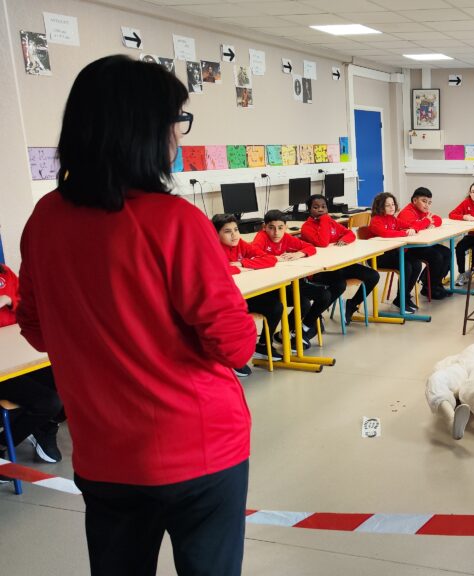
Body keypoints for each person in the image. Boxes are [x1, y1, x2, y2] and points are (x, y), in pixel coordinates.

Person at [17, 55, 252, 575]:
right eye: (176, 121)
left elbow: (34, 328)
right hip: (198, 446)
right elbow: (234, 344)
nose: (178, 135)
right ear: (146, 131)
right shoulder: (175, 221)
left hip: (104, 451)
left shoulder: (45, 218)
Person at [0, 263, 63, 464]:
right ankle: (3, 444)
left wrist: (10, 300)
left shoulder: (5, 273)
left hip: (18, 356)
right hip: (3, 369)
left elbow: (28, 303)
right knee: (49, 401)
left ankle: (44, 427)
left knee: (72, 382)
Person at [214, 214, 283, 375]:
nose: (234, 235)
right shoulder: (212, 248)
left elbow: (270, 259)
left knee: (275, 306)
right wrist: (239, 269)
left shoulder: (240, 244)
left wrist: (242, 263)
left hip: (242, 294)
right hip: (221, 301)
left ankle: (263, 346)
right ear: (215, 234)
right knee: (235, 318)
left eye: (236, 230)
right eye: (227, 231)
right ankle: (230, 358)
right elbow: (218, 270)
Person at [300, 195, 380, 326]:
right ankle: (315, 315)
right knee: (340, 284)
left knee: (373, 275)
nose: (320, 210)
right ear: (309, 210)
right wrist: (324, 219)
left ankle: (352, 304)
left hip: (339, 265)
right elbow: (323, 242)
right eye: (316, 207)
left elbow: (350, 234)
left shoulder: (331, 222)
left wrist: (344, 239)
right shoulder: (307, 227)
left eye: (323, 207)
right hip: (321, 269)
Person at [252, 210, 333, 333]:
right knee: (303, 303)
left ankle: (299, 329)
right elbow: (254, 254)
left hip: (289, 282)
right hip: (271, 286)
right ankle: (270, 338)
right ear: (264, 227)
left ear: (286, 227)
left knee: (324, 295)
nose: (276, 232)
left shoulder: (286, 238)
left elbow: (310, 248)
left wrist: (299, 253)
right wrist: (275, 258)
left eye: (280, 228)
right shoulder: (261, 237)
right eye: (271, 228)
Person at [366, 192, 423, 314]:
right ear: (380, 207)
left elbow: (411, 225)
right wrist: (405, 233)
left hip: (392, 254)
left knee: (417, 264)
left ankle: (404, 297)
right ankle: (400, 301)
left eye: (393, 204)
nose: (392, 207)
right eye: (387, 205)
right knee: (406, 267)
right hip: (378, 257)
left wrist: (414, 228)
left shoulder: (392, 219)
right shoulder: (376, 220)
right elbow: (385, 234)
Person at [397, 187, 452, 299]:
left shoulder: (423, 211)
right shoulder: (406, 212)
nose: (427, 205)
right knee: (436, 256)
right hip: (409, 247)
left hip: (420, 244)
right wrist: (426, 222)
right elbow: (414, 226)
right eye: (424, 201)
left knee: (447, 252)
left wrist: (430, 223)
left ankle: (434, 284)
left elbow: (438, 219)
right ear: (414, 200)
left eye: (429, 203)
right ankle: (429, 288)